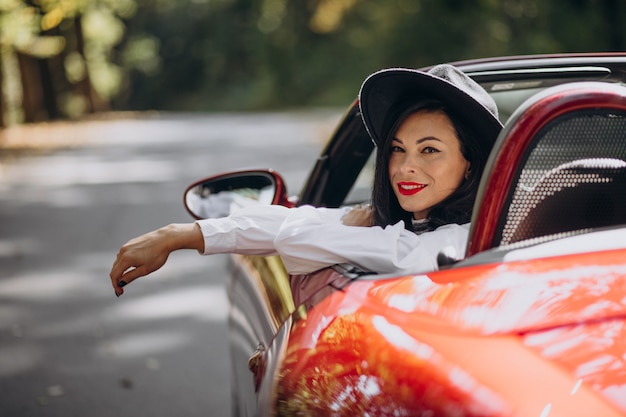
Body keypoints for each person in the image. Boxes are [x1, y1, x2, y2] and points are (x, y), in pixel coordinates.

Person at [109, 64, 503, 297]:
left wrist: (347, 221)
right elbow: (290, 221)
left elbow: (295, 235)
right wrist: (177, 235)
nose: (404, 167)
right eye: (397, 149)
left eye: (429, 150)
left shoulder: (470, 239)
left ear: (470, 163)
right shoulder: (397, 225)